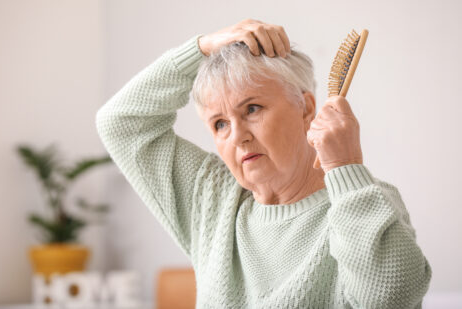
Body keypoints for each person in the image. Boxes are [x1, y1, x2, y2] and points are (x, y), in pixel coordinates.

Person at [96, 19, 431, 308]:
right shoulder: (212, 199)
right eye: (219, 124)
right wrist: (202, 47)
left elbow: (389, 299)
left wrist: (345, 168)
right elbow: (121, 123)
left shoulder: (364, 201)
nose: (238, 136)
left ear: (305, 108)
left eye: (252, 109)